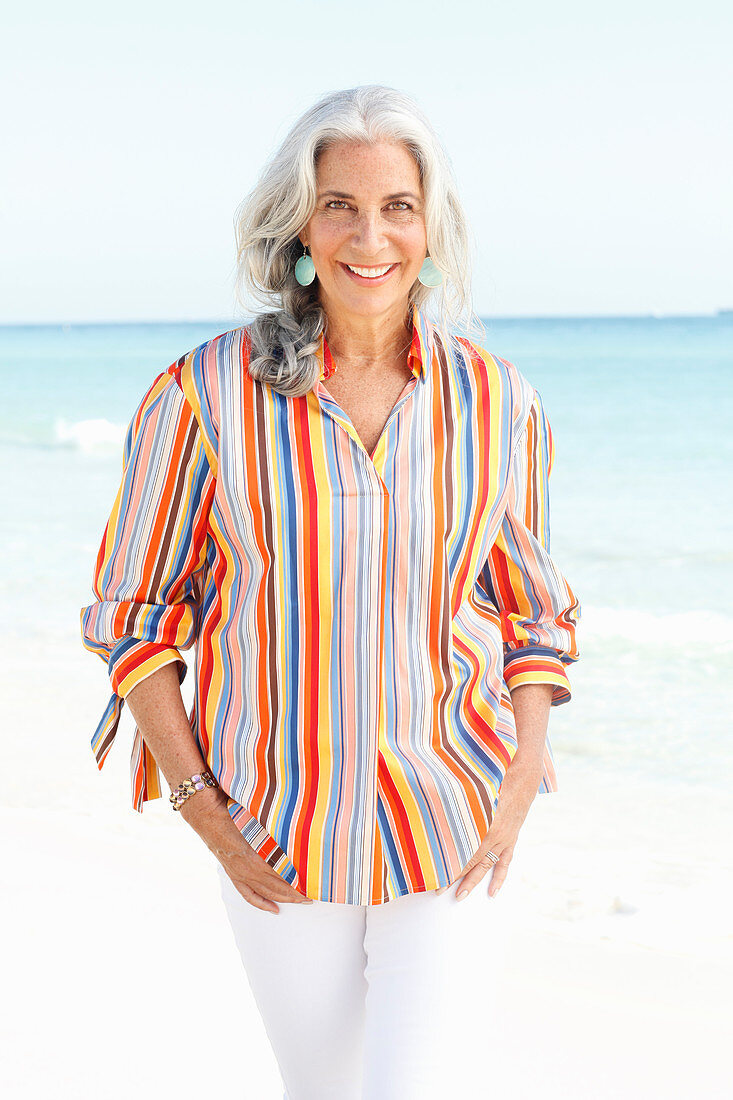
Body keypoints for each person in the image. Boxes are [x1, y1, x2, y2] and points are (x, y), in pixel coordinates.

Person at [80, 84, 581, 1099]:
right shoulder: (201, 395)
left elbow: (531, 605)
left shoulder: (495, 399)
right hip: (274, 830)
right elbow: (132, 615)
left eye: (396, 205)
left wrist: (524, 765)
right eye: (338, 203)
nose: (370, 235)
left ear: (428, 227)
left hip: (452, 816)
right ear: (299, 224)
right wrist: (201, 807)